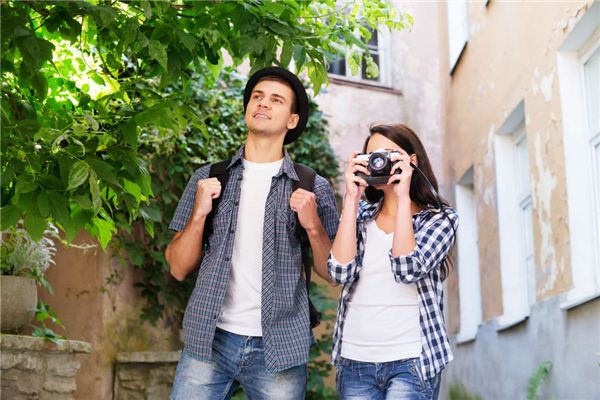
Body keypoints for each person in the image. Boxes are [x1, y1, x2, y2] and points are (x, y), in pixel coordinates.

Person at [166, 66, 339, 399]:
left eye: (276, 100)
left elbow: (331, 271)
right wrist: (200, 213)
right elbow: (177, 267)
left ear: (292, 120)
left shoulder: (311, 186)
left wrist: (313, 224)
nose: (263, 103)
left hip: (279, 346)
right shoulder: (209, 178)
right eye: (257, 96)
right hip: (210, 339)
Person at [328, 123, 458, 400]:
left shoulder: (440, 219)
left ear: (412, 160)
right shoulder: (360, 216)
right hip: (355, 359)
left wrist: (402, 198)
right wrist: (351, 198)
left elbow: (407, 269)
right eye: (372, 156)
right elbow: (339, 272)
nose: (380, 162)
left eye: (389, 154)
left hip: (411, 359)